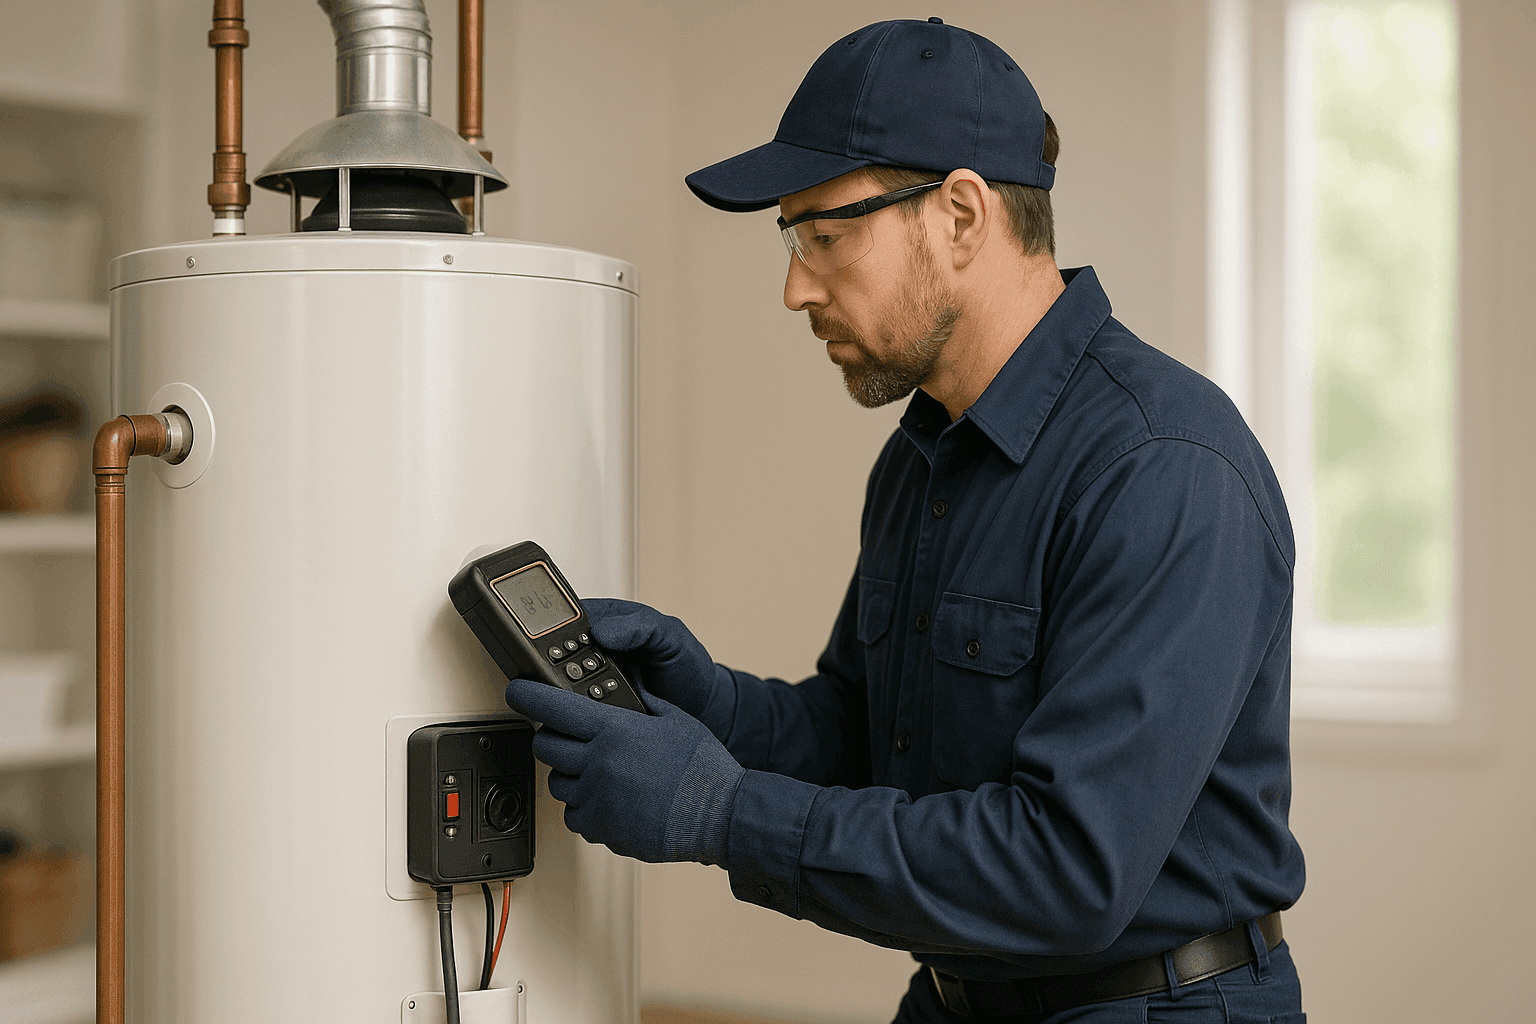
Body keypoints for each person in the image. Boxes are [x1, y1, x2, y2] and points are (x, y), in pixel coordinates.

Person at [502, 17, 1306, 1024]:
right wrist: (711, 702)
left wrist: (723, 812)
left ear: (961, 214)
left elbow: (1068, 871)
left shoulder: (1163, 467)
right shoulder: (924, 455)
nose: (795, 286)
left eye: (824, 236)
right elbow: (862, 734)